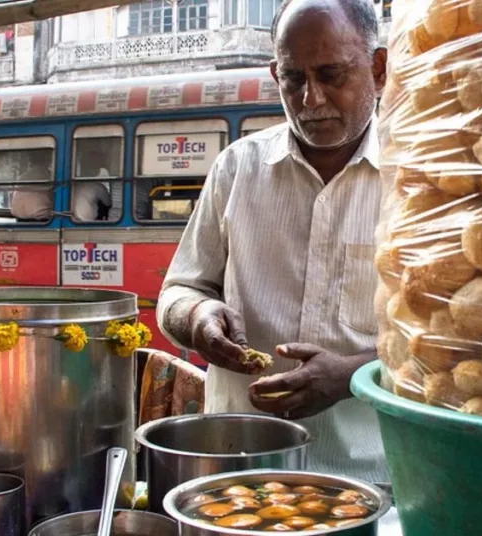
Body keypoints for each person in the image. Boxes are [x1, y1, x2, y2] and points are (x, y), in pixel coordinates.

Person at [157, 0, 388, 483]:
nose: (312, 99)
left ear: (379, 69)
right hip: (239, 466)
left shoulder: (418, 179)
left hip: (373, 477)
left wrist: (351, 375)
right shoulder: (237, 168)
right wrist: (198, 319)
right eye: (294, 79)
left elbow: (447, 347)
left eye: (331, 75)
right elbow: (178, 292)